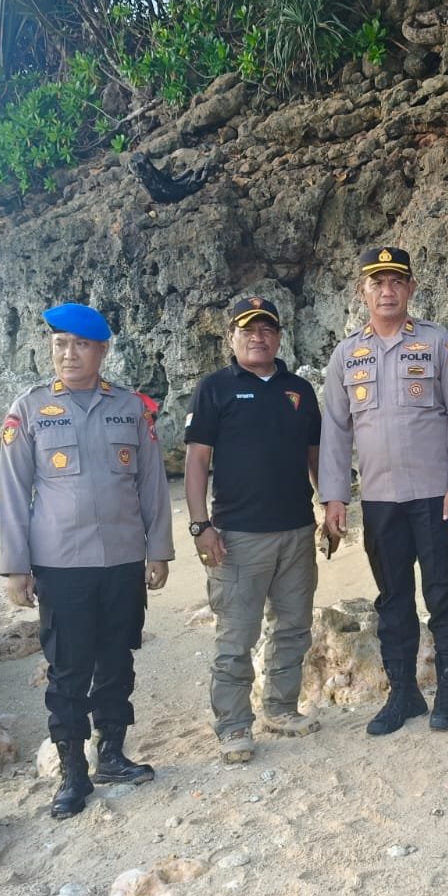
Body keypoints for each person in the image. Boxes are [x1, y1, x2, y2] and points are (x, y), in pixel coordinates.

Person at [0, 302, 174, 820]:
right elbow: (13, 491)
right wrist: (16, 565)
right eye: (60, 345)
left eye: (80, 345)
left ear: (101, 350)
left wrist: (158, 550)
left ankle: (113, 754)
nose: (68, 354)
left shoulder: (131, 407)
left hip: (121, 559)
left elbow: (152, 485)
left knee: (117, 660)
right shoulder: (29, 409)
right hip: (61, 563)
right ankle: (73, 774)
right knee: (69, 671)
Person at [319, 245, 448, 736]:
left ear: (409, 288)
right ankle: (403, 693)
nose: (387, 291)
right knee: (393, 598)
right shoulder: (347, 354)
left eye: (396, 282)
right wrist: (335, 496)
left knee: (443, 594)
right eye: (376, 283)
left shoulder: (435, 342)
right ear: (362, 291)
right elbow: (335, 431)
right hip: (381, 500)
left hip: (436, 495)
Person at [184, 294, 323, 764]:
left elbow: (315, 455)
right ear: (232, 338)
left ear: (279, 337)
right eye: (247, 329)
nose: (257, 337)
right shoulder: (215, 388)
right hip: (237, 535)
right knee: (236, 635)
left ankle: (281, 708)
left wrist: (330, 503)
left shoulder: (300, 389)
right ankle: (234, 725)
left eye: (266, 329)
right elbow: (197, 461)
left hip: (297, 530)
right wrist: (201, 525)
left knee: (293, 627)